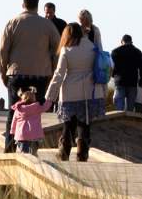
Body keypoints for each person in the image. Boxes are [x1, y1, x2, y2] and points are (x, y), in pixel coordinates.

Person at [0, 0, 60, 153]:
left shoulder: (13, 23)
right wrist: (51, 72)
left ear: (23, 4)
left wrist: (4, 74)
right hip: (40, 76)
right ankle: (32, 150)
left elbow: (2, 52)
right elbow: (57, 51)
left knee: (13, 112)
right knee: (34, 114)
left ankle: (10, 150)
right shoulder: (47, 25)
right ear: (37, 6)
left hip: (16, 74)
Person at [45, 22, 106, 162]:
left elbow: (59, 75)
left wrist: (49, 96)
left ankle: (64, 152)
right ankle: (82, 153)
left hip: (70, 93)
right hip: (90, 92)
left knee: (68, 125)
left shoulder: (67, 50)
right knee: (85, 125)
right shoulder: (92, 48)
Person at [10, 87, 52, 156]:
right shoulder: (37, 108)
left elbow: (14, 121)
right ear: (34, 99)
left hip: (21, 135)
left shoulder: (18, 109)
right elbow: (46, 106)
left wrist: (12, 131)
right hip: (35, 134)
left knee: (24, 155)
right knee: (33, 154)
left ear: (22, 99)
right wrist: (50, 100)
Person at [111, 34, 142, 111]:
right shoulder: (137, 52)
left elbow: (113, 66)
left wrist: (113, 75)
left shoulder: (116, 51)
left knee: (119, 106)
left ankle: (119, 120)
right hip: (132, 81)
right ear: (131, 42)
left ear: (121, 41)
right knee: (130, 107)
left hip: (120, 80)